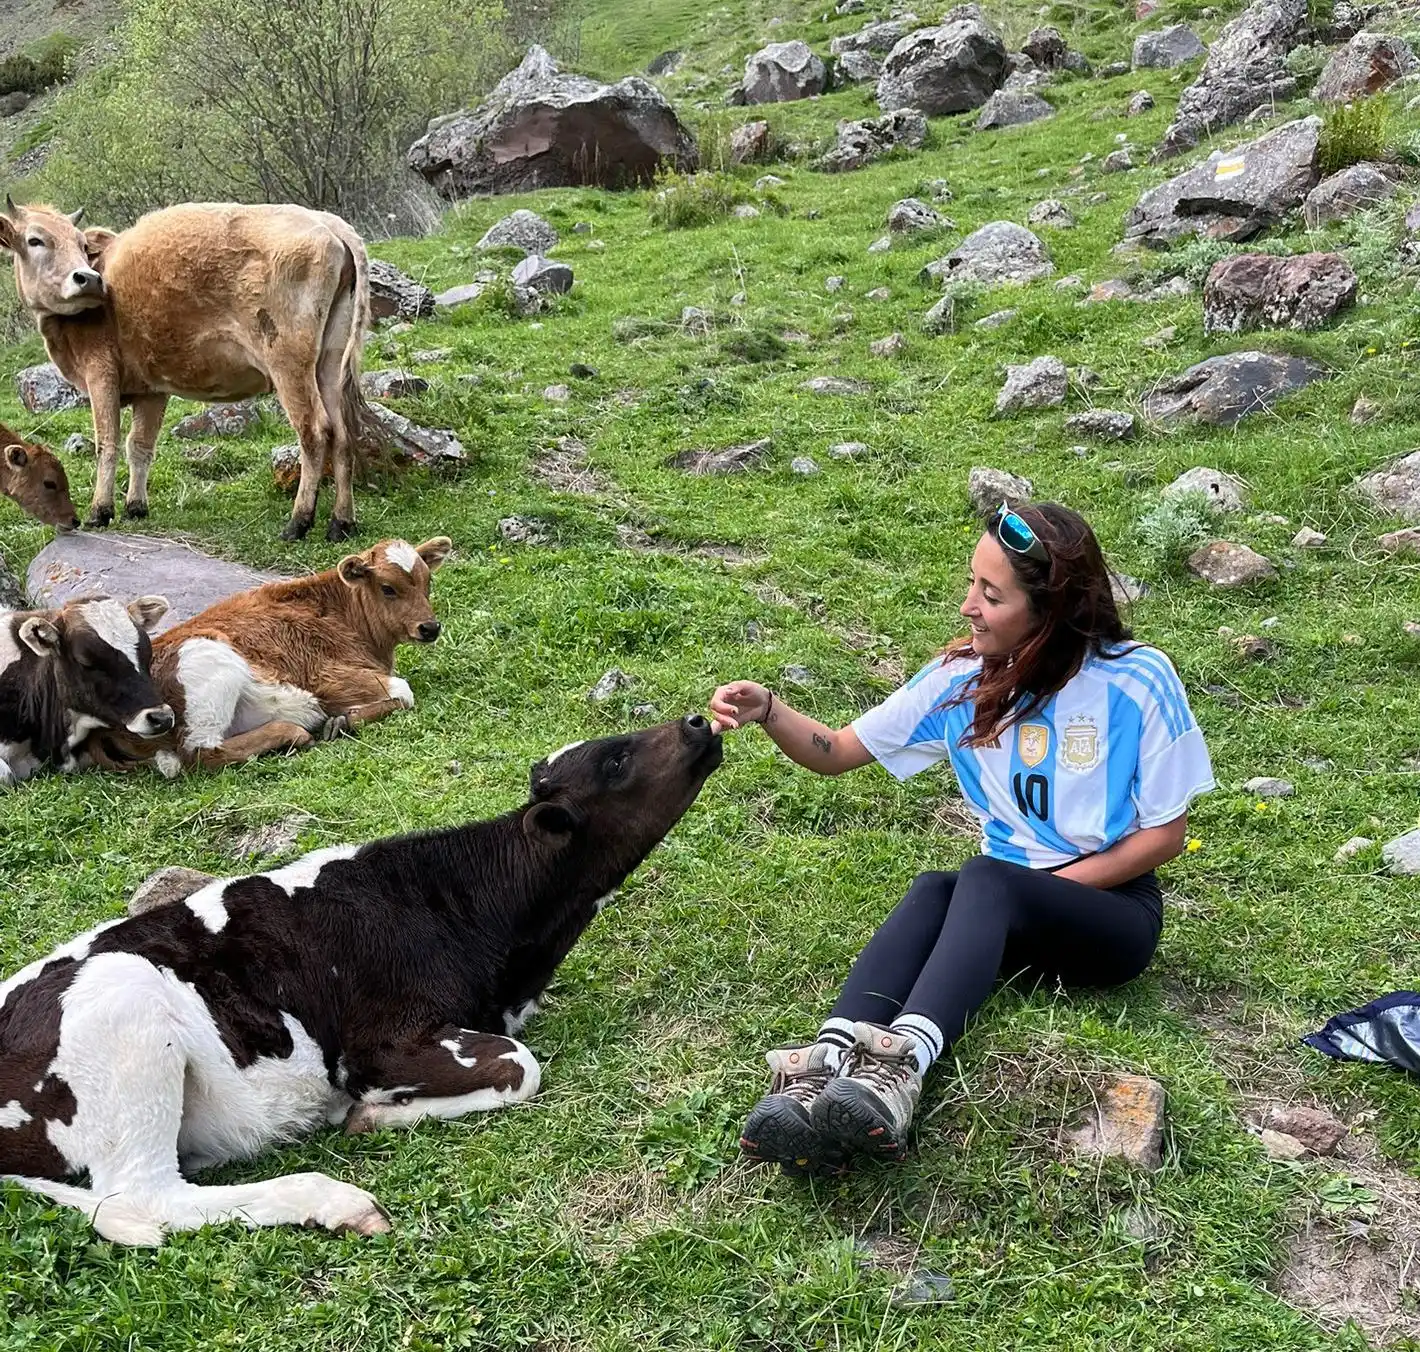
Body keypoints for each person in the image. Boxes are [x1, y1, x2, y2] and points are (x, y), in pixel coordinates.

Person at [708, 502, 1215, 1174]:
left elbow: (1165, 837)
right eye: (972, 584)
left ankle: (900, 1072)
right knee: (934, 889)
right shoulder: (961, 679)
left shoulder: (1137, 677)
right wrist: (768, 709)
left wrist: (1026, 896)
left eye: (991, 594)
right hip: (1001, 911)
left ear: (1051, 609)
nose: (968, 606)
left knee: (980, 880)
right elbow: (838, 750)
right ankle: (824, 1072)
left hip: (1112, 916)